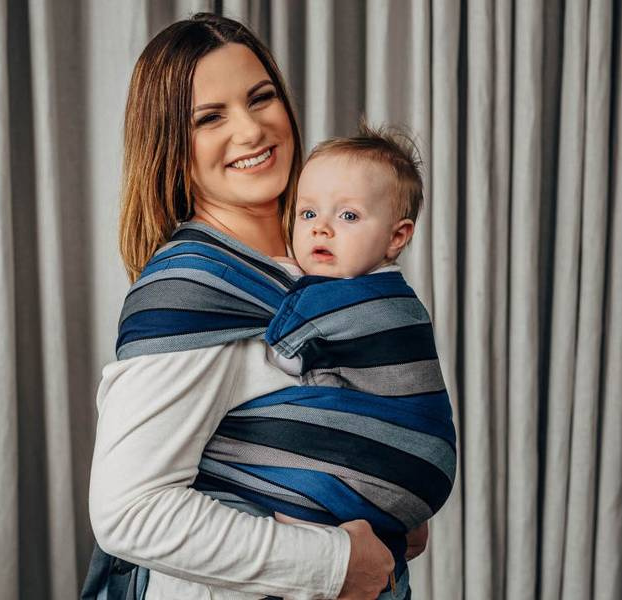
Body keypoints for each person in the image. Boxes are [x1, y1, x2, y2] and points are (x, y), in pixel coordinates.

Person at [85, 12, 404, 600]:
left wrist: (390, 502)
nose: (252, 130)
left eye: (261, 98)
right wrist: (335, 563)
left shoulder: (325, 261)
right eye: (210, 117)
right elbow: (129, 512)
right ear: (171, 145)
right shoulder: (192, 294)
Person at [189, 125, 456, 599]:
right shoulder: (405, 301)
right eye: (308, 212)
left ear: (397, 236)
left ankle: (318, 542)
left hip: (386, 463)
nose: (321, 228)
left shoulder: (328, 298)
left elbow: (279, 358)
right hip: (426, 473)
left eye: (348, 215)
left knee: (252, 477)